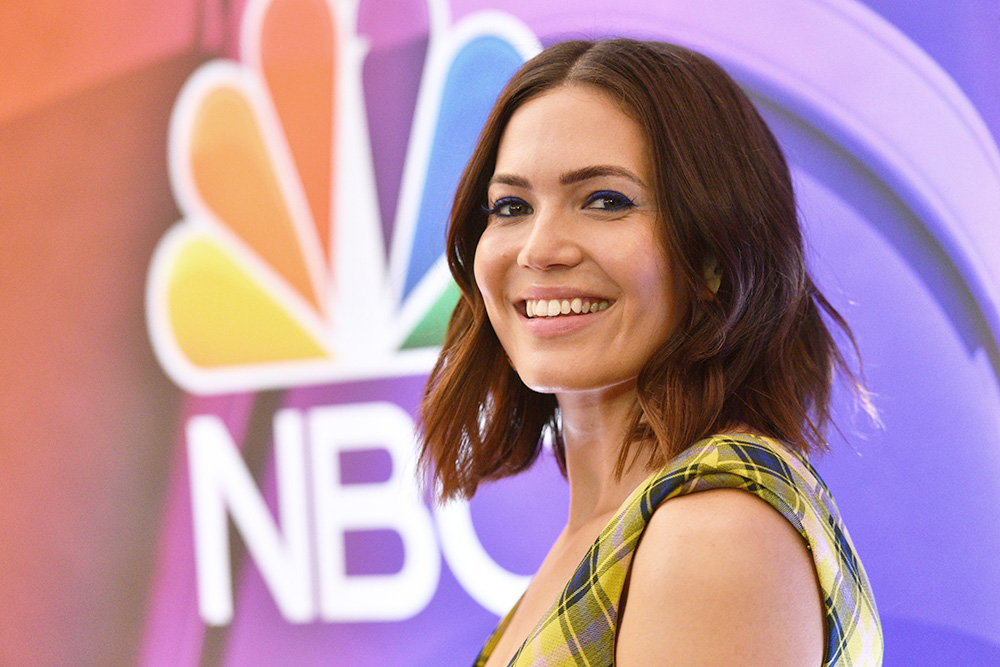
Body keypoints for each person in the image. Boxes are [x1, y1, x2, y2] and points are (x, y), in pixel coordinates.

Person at [419, 38, 883, 667]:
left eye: (605, 201)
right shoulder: (620, 527)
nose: (538, 248)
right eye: (511, 207)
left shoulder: (715, 529)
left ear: (715, 255)